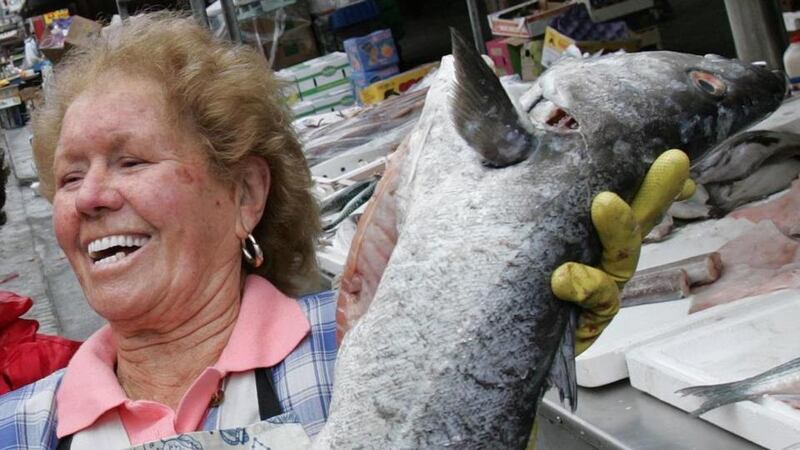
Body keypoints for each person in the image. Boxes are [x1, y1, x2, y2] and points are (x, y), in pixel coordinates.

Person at [0, 11, 690, 449]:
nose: (89, 197)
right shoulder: (21, 428)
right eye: (67, 177)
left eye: (130, 161)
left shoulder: (375, 343)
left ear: (244, 194)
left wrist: (516, 345)